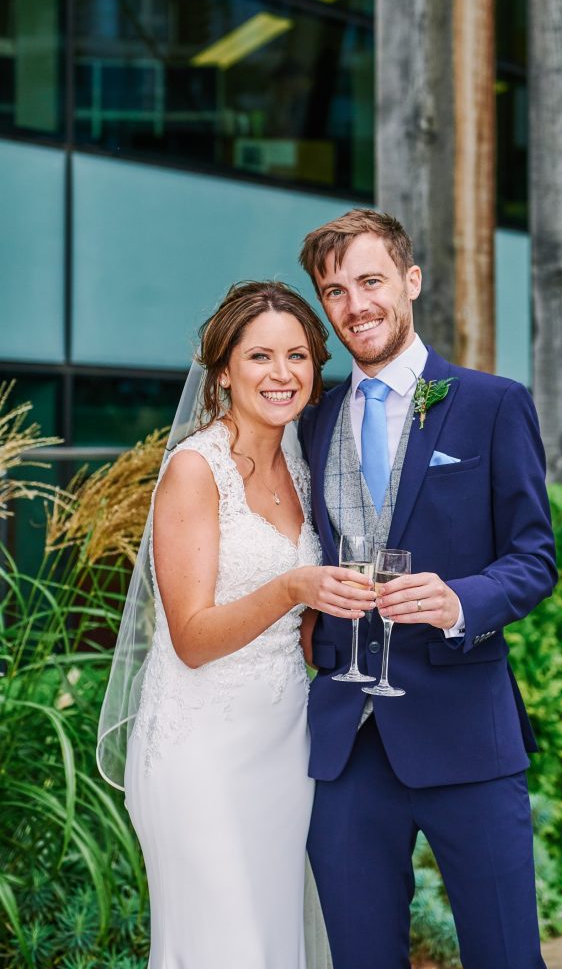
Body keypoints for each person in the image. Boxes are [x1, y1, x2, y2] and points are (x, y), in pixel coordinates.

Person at [297, 210, 558, 969]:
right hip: (346, 745)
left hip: (467, 737)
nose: (355, 306)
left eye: (370, 281)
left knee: (506, 956)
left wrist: (459, 603)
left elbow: (533, 558)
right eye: (334, 291)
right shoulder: (311, 420)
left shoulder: (490, 403)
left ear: (409, 282)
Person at [99, 281, 374, 968]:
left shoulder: (306, 467)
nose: (281, 375)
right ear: (223, 371)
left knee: (274, 941)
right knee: (228, 947)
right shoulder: (195, 471)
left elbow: (302, 630)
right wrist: (292, 588)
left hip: (282, 746)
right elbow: (191, 638)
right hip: (201, 749)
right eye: (259, 357)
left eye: (299, 357)